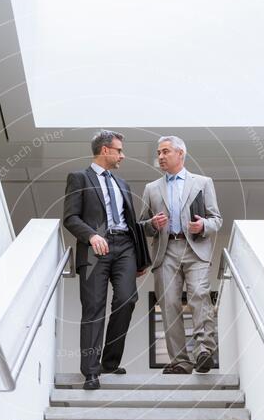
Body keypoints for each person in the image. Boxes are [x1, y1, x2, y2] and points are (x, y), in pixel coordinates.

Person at [63, 130, 144, 389]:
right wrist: (90, 236)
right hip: (95, 249)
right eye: (119, 150)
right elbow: (71, 217)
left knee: (127, 299)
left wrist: (140, 255)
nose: (123, 155)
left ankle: (110, 361)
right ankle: (91, 371)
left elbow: (129, 222)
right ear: (105, 150)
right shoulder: (79, 178)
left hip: (124, 248)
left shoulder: (123, 184)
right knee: (94, 308)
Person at [139, 136, 222, 374]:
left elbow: (217, 219)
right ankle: (180, 361)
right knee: (169, 304)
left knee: (199, 295)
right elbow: (141, 224)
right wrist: (152, 224)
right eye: (159, 152)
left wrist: (203, 225)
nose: (161, 157)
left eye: (165, 152)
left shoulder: (203, 183)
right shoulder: (151, 188)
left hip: (195, 247)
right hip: (166, 251)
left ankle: (204, 350)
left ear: (181, 154)